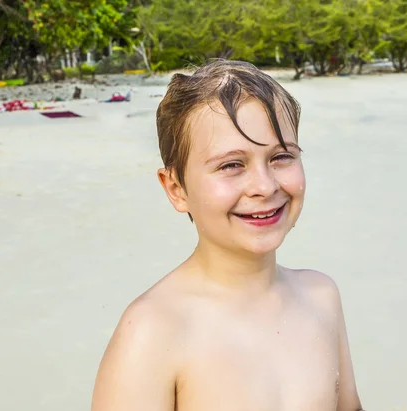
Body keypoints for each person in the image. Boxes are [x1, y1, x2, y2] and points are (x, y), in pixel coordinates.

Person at [91, 59, 364, 411]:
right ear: (176, 188)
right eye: (231, 165)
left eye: (281, 156)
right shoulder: (153, 332)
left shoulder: (321, 297)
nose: (264, 187)